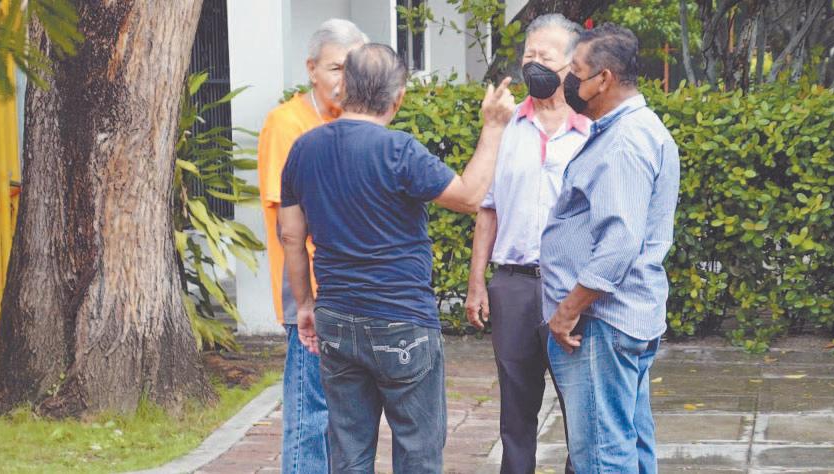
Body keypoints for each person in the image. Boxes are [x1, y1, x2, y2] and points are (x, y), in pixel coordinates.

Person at [278, 44, 515, 473]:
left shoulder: (303, 149)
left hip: (336, 316)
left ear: (344, 86)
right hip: (402, 320)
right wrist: (494, 126)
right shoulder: (399, 150)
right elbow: (470, 196)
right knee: (418, 452)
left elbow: (291, 236)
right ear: (399, 97)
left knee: (348, 453)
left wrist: (305, 305)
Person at [542, 23, 680, 474]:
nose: (568, 81)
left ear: (603, 79)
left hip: (601, 322)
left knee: (603, 455)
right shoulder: (634, 129)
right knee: (629, 446)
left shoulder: (624, 141)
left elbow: (619, 244)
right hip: (622, 318)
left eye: (576, 72)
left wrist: (567, 311)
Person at [464, 13, 588, 474]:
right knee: (515, 412)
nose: (533, 64)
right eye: (528, 55)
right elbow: (487, 208)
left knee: (582, 407)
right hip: (514, 286)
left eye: (545, 57)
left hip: (573, 289)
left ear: (573, 64)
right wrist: (477, 282)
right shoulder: (506, 126)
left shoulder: (593, 128)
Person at [255, 18, 367, 474]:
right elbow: (289, 224)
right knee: (310, 410)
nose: (345, 79)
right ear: (311, 69)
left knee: (347, 415)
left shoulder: (357, 123)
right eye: (336, 68)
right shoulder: (287, 124)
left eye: (353, 69)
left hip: (355, 287)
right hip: (310, 288)